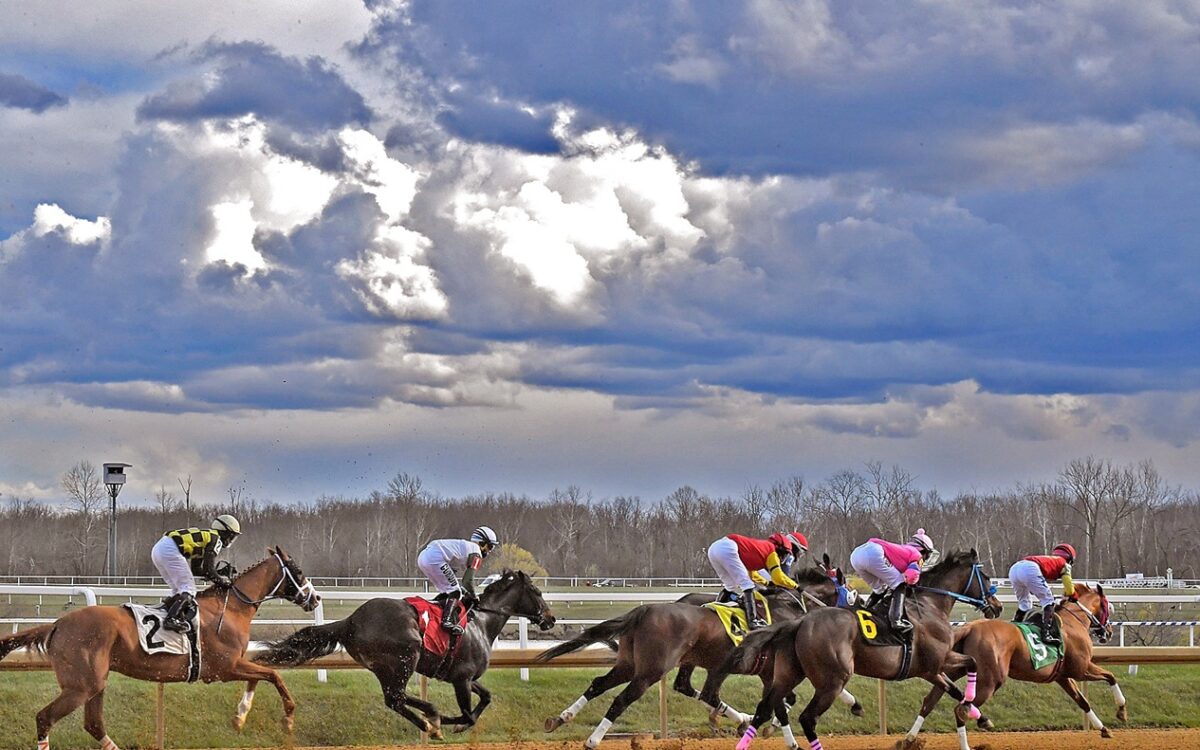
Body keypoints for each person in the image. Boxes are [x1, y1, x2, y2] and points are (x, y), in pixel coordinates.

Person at [151, 515, 242, 633]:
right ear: (225, 533)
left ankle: (172, 614)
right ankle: (171, 619)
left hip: (159, 548)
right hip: (169, 549)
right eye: (232, 537)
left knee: (178, 589)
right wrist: (224, 582)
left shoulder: (205, 537)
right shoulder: (216, 539)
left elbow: (197, 570)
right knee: (189, 589)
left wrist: (219, 573)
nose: (231, 541)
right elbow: (209, 571)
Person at [707, 531, 807, 630]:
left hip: (714, 549)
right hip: (727, 548)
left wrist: (767, 583)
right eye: (785, 554)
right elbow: (778, 577)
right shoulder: (772, 552)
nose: (784, 558)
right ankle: (752, 621)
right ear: (781, 549)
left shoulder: (760, 551)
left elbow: (753, 575)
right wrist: (796, 586)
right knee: (747, 585)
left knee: (731, 585)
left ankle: (717, 608)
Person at [849, 529, 938, 633]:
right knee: (900, 584)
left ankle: (863, 611)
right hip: (873, 553)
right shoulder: (917, 556)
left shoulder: (904, 549)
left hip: (855, 556)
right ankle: (896, 620)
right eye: (928, 555)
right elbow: (911, 577)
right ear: (923, 551)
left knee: (880, 588)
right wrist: (913, 582)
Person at [416, 526, 499, 635]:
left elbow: (464, 583)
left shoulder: (466, 547)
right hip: (434, 557)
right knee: (455, 591)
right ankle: (447, 621)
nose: (489, 551)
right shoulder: (476, 552)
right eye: (490, 547)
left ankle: (436, 612)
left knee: (447, 591)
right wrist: (474, 597)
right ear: (482, 543)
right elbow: (468, 581)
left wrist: (467, 592)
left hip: (423, 557)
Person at [1009, 543, 1076, 645]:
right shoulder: (1064, 564)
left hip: (1015, 568)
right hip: (1030, 569)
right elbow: (1068, 586)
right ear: (1070, 559)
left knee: (1025, 603)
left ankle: (1015, 626)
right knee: (1048, 600)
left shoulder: (1049, 560)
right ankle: (1046, 634)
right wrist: (1073, 595)